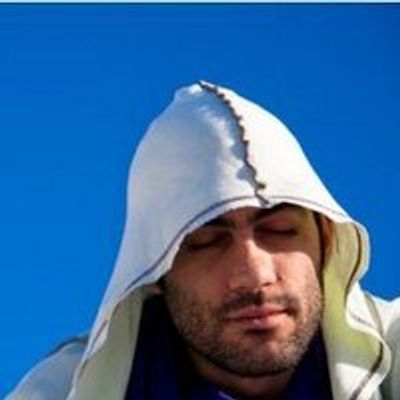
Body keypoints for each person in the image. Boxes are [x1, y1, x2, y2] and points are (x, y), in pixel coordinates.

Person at [8, 81, 399, 400]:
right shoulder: (60, 391)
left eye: (279, 230)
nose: (255, 274)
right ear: (155, 272)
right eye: (208, 241)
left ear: (326, 239)